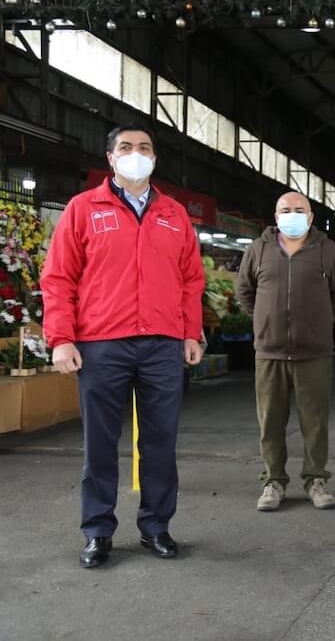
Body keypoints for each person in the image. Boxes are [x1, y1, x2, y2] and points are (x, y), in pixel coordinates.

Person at [40, 123, 205, 568]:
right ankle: (97, 531)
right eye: (127, 147)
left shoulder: (174, 214)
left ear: (155, 158)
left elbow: (192, 279)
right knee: (99, 444)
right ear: (110, 158)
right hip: (101, 345)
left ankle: (156, 527)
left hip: (162, 344)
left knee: (160, 442)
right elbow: (58, 278)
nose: (137, 153)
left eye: (145, 147)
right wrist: (61, 338)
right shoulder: (82, 209)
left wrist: (191, 331)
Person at [235, 192, 335, 512]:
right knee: (270, 422)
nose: (292, 215)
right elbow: (244, 291)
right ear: (276, 216)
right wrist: (264, 321)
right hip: (269, 352)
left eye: (299, 210)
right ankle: (273, 481)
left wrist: (321, 321)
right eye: (286, 210)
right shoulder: (258, 249)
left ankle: (315, 479)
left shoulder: (328, 251)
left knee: (315, 422)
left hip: (314, 352)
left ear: (311, 217)